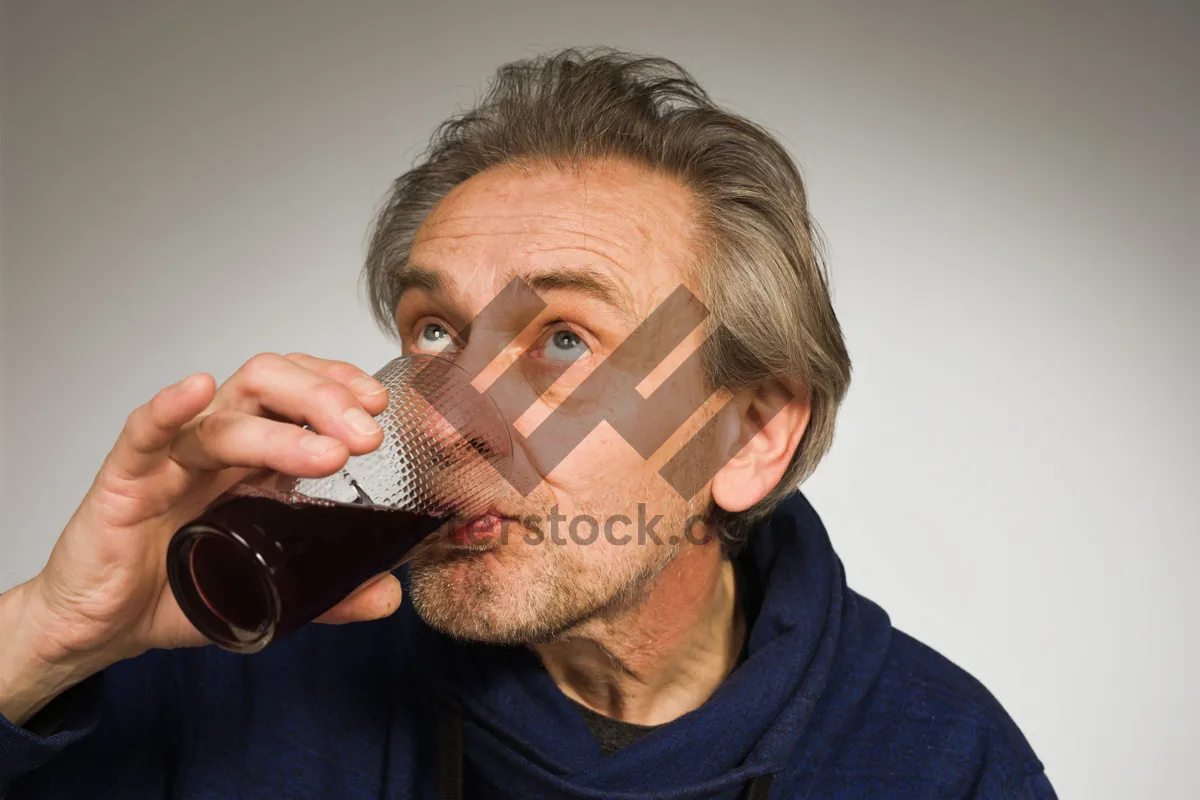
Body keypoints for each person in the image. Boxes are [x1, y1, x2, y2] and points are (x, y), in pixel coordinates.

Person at [0, 48, 1056, 799]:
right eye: (432, 333)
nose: (452, 417)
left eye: (562, 340)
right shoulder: (238, 659)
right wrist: (48, 632)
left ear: (753, 431)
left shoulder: (943, 759)